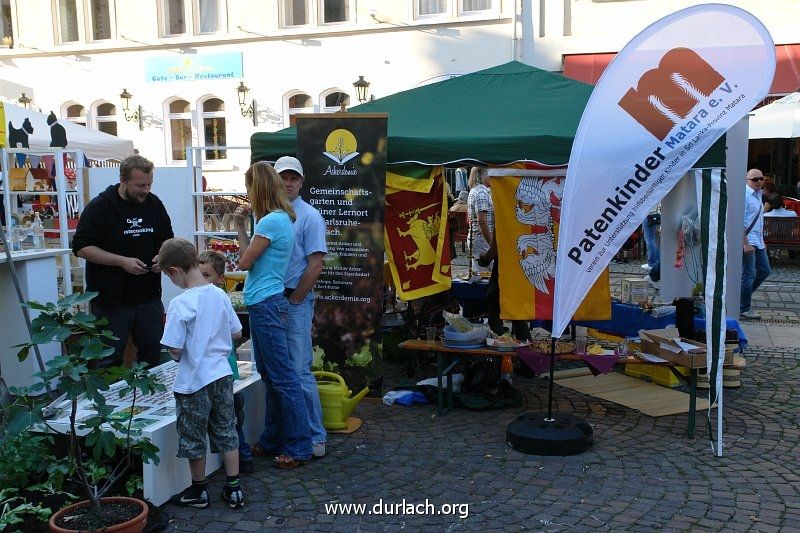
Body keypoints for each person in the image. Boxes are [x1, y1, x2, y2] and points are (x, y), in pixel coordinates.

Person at [234, 161, 312, 469]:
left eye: (249, 188)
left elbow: (243, 262)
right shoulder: (277, 219)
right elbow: (252, 261)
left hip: (266, 304)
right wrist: (246, 225)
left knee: (282, 379)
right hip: (267, 303)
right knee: (272, 377)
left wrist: (241, 227)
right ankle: (274, 439)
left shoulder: (270, 222)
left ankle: (298, 445)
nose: (246, 193)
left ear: (258, 189)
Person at [159, 238, 244, 509]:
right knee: (226, 429)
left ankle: (198, 490)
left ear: (174, 270)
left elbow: (174, 348)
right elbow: (237, 332)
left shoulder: (180, 303)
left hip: (194, 380)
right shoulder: (219, 294)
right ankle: (234, 488)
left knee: (193, 435)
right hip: (221, 375)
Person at [72, 154, 174, 367]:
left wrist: (161, 258)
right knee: (107, 360)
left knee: (153, 355)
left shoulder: (154, 204)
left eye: (149, 184)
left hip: (149, 297)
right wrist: (121, 261)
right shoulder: (101, 207)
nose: (145, 190)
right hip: (111, 301)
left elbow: (167, 240)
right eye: (140, 185)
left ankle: (150, 398)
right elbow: (81, 248)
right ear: (123, 180)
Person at [269, 156, 328, 459]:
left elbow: (315, 265)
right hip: (271, 300)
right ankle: (282, 434)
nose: (288, 183)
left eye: (294, 178)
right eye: (283, 178)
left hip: (294, 300)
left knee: (299, 371)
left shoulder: (309, 217)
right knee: (277, 372)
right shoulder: (269, 215)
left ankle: (316, 436)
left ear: (302, 182)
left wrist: (295, 299)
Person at [198, 249, 254, 474]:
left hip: (223, 370)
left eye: (207, 275)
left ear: (220, 279)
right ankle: (237, 457)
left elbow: (237, 332)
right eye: (199, 274)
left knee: (229, 415)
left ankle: (243, 456)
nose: (202, 280)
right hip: (216, 370)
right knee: (226, 415)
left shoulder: (219, 300)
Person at [741, 169, 771, 320]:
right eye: (755, 179)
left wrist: (762, 241)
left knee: (765, 270)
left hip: (758, 241)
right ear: (747, 180)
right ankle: (743, 307)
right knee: (749, 274)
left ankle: (740, 297)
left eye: (761, 178)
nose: (759, 181)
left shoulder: (759, 194)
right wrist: (745, 243)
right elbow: (740, 222)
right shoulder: (744, 195)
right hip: (748, 241)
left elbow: (758, 221)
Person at [467, 167, 493, 274]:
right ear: (483, 175)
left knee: (478, 274)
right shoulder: (481, 193)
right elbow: (481, 221)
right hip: (482, 240)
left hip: (477, 239)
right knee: (489, 274)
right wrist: (491, 243)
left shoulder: (474, 191)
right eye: (490, 174)